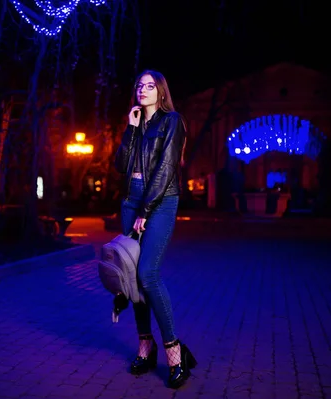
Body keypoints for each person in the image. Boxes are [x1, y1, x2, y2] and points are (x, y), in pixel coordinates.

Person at [115, 70, 196, 388]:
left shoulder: (172, 121)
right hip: (130, 201)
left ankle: (176, 354)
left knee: (147, 274)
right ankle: (145, 348)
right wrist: (130, 130)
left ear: (161, 92)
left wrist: (146, 210)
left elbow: (165, 169)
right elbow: (120, 165)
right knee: (133, 278)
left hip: (160, 201)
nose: (143, 90)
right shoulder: (136, 124)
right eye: (139, 85)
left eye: (150, 86)